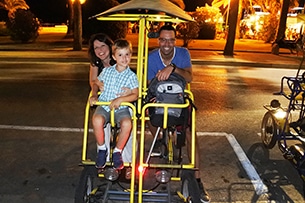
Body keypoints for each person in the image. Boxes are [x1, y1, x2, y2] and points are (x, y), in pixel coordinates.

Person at [147, 24, 210, 203]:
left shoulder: (182, 54)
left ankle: (197, 180)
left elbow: (189, 77)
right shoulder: (151, 57)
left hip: (180, 101)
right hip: (159, 99)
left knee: (191, 134)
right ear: (159, 41)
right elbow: (149, 84)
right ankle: (161, 141)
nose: (167, 43)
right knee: (146, 115)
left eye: (171, 40)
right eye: (164, 39)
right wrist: (162, 77)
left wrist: (173, 69)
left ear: (175, 41)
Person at [89, 38, 139, 170]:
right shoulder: (107, 71)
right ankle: (102, 148)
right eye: (120, 55)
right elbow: (96, 82)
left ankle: (118, 151)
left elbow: (135, 94)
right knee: (97, 120)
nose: (124, 58)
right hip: (105, 105)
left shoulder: (131, 76)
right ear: (114, 57)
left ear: (131, 56)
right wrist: (94, 94)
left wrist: (122, 99)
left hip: (121, 108)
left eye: (127, 54)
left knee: (127, 124)